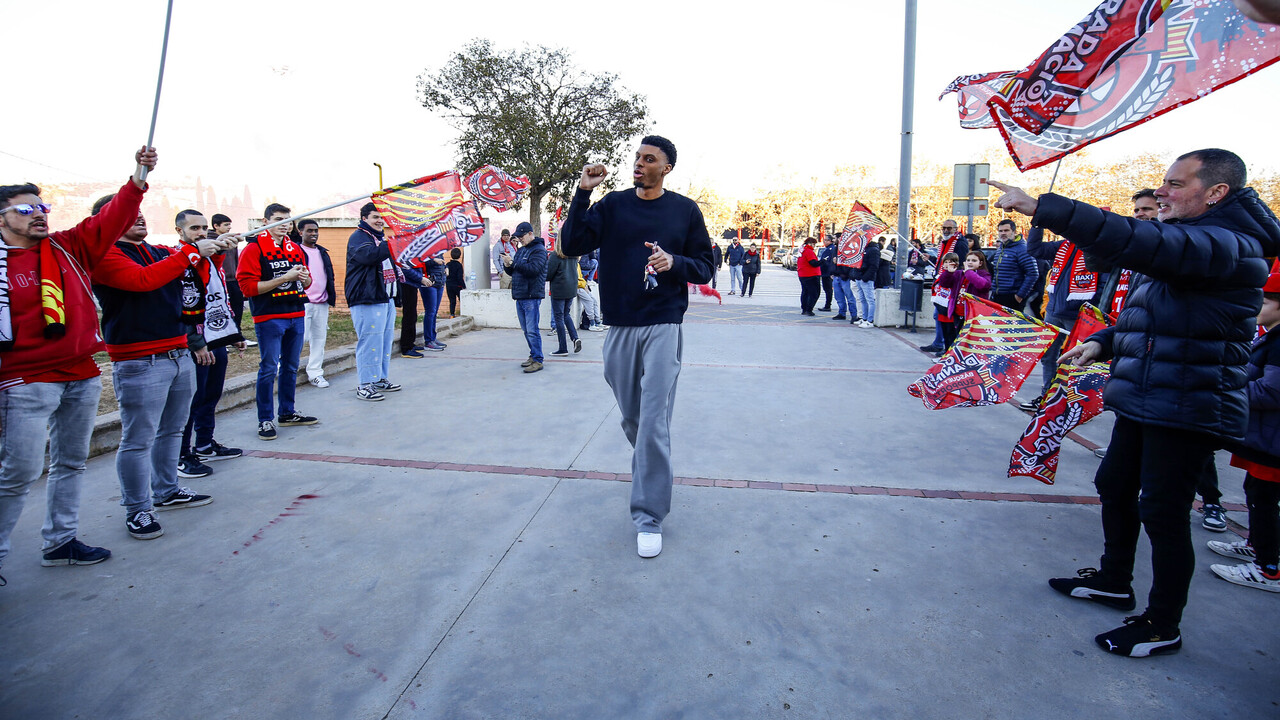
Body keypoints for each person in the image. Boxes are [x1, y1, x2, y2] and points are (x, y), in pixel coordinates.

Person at [992, 148, 1280, 658]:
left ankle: (1161, 624)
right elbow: (1151, 312)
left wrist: (1043, 208)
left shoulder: (1227, 244)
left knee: (1163, 513)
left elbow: (1131, 238)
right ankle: (1113, 579)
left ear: (1215, 192)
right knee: (1114, 484)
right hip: (1149, 393)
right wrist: (1103, 339)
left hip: (1189, 404)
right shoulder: (1195, 241)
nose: (1162, 192)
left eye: (1176, 183)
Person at [0, 147, 156, 582]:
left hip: (82, 374)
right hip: (23, 382)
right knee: (18, 474)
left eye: (41, 206)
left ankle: (60, 541)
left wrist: (139, 176)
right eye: (25, 209)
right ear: (1, 219)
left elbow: (112, 217)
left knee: (71, 463)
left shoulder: (68, 247)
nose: (39, 215)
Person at [560, 135, 714, 558]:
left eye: (650, 159)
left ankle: (648, 515)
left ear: (666, 168)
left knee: (653, 422)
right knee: (635, 421)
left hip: (663, 323)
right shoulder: (612, 205)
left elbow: (705, 266)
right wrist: (583, 192)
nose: (639, 164)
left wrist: (675, 263)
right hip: (620, 326)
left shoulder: (685, 210)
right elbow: (571, 244)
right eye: (637, 158)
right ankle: (653, 464)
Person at [92, 205, 227, 539]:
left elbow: (196, 273)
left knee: (172, 430)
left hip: (179, 352)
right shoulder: (106, 256)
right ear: (106, 221)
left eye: (139, 212)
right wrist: (193, 253)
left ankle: (167, 490)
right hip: (139, 360)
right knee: (138, 439)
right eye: (127, 213)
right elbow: (143, 280)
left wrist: (218, 250)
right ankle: (137, 509)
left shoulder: (159, 251)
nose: (138, 217)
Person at [1205, 272, 1280, 592]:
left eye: (1265, 301)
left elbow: (1271, 392)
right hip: (1263, 437)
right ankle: (1258, 545)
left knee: (1264, 499)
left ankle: (1268, 567)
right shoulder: (1271, 335)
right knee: (1255, 493)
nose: (1258, 306)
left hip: (1272, 439)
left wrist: (1229, 388)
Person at [238, 203, 319, 439]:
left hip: (296, 313)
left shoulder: (295, 248)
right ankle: (265, 419)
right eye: (278, 219)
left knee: (292, 366)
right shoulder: (253, 249)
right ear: (266, 222)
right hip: (269, 316)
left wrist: (303, 279)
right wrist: (285, 277)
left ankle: (287, 412)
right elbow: (248, 287)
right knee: (269, 368)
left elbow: (307, 283)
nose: (284, 224)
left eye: (288, 220)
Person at [179, 210, 248, 479]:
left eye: (204, 228)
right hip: (197, 342)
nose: (201, 233)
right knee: (191, 400)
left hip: (217, 336)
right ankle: (182, 454)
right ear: (180, 232)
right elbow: (184, 306)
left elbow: (219, 299)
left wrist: (234, 334)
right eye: (194, 228)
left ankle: (205, 443)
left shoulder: (210, 261)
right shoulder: (181, 261)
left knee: (211, 394)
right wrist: (196, 342)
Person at [1020, 223, 1102, 410]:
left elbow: (1103, 284)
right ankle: (1047, 397)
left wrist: (1092, 312)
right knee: (1049, 357)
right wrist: (1037, 224)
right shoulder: (1062, 246)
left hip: (1079, 316)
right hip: (1054, 312)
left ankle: (1073, 401)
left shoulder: (1097, 248)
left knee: (1077, 360)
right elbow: (1034, 249)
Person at [345, 203, 402, 401]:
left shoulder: (379, 238)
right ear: (364, 218)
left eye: (381, 217)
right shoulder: (358, 238)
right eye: (375, 217)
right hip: (366, 298)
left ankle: (379, 378)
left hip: (385, 297)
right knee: (370, 341)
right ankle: (365, 384)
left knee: (384, 342)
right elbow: (369, 257)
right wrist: (392, 242)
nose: (380, 220)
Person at [295, 219, 335, 386]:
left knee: (319, 339)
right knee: (298, 338)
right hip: (302, 302)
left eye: (316, 231)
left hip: (322, 302)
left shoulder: (322, 252)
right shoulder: (296, 251)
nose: (313, 234)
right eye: (309, 231)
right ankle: (285, 369)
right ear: (300, 232)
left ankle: (315, 373)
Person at [505, 221, 547, 373]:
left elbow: (533, 270)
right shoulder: (522, 251)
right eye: (518, 237)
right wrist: (508, 265)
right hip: (521, 295)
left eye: (522, 236)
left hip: (531, 296)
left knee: (532, 330)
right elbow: (514, 272)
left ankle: (538, 359)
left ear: (530, 234)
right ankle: (533, 355)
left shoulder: (539, 250)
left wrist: (514, 264)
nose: (520, 239)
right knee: (526, 330)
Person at [920, 221, 968, 352]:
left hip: (950, 287)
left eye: (949, 228)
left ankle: (944, 346)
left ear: (956, 229)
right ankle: (939, 343)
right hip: (943, 284)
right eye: (944, 228)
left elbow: (959, 265)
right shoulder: (945, 242)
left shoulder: (959, 243)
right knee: (938, 315)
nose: (946, 230)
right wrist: (932, 258)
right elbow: (944, 262)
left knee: (945, 317)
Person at [932, 251, 992, 351]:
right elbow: (944, 283)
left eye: (974, 260)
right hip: (958, 313)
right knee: (954, 339)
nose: (970, 262)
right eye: (968, 260)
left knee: (970, 342)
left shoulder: (984, 274)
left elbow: (982, 285)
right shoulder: (959, 274)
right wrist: (949, 273)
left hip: (974, 315)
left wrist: (969, 272)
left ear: (980, 263)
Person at [210, 213, 247, 344]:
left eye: (230, 225)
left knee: (237, 308)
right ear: (216, 226)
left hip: (233, 280)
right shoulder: (211, 242)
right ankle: (222, 336)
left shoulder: (232, 241)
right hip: (220, 282)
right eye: (226, 225)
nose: (229, 227)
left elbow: (236, 260)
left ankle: (236, 335)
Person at [988, 219, 1039, 312]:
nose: (1003, 233)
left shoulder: (1022, 249)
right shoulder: (1001, 248)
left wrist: (1019, 296)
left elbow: (1033, 273)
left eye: (1006, 230)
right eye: (1000, 231)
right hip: (998, 296)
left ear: (1014, 232)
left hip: (1012, 297)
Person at [546, 246, 582, 356]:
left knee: (559, 317)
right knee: (566, 314)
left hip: (559, 289)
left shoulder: (555, 255)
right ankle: (575, 338)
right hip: (571, 289)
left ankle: (563, 348)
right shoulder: (574, 255)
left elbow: (548, 275)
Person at [419, 255, 448, 352]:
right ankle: (428, 340)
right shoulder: (426, 247)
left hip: (439, 282)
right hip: (429, 282)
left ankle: (433, 337)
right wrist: (434, 261)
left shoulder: (439, 249)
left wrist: (446, 267)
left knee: (434, 312)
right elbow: (420, 261)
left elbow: (442, 262)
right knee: (430, 312)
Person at [850, 239, 880, 328]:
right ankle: (864, 318)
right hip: (860, 276)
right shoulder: (862, 249)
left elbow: (874, 266)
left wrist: (865, 277)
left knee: (869, 299)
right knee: (862, 299)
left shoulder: (873, 250)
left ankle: (870, 320)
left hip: (866, 278)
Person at [578, 250, 603, 331]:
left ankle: (597, 322)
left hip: (582, 285)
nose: (580, 258)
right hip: (579, 287)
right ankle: (592, 323)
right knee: (590, 301)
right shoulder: (574, 265)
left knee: (594, 301)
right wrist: (585, 285)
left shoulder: (577, 265)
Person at [796, 237, 822, 316]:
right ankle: (809, 309)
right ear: (810, 244)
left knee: (805, 292)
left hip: (803, 274)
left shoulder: (802, 250)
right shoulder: (809, 251)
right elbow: (813, 263)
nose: (814, 246)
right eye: (814, 244)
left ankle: (804, 309)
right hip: (811, 275)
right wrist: (822, 261)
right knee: (814, 293)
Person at [818, 236, 837, 311]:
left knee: (828, 290)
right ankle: (827, 305)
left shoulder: (830, 249)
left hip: (827, 272)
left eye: (826, 240)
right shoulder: (828, 249)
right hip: (825, 272)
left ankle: (827, 305)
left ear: (830, 241)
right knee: (827, 289)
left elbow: (826, 261)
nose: (824, 242)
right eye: (824, 240)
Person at [445, 247, 465, 317]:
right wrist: (464, 286)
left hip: (449, 285)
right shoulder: (459, 265)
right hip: (457, 286)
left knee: (452, 301)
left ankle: (452, 314)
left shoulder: (448, 264)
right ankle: (463, 313)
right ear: (459, 256)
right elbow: (459, 277)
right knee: (461, 300)